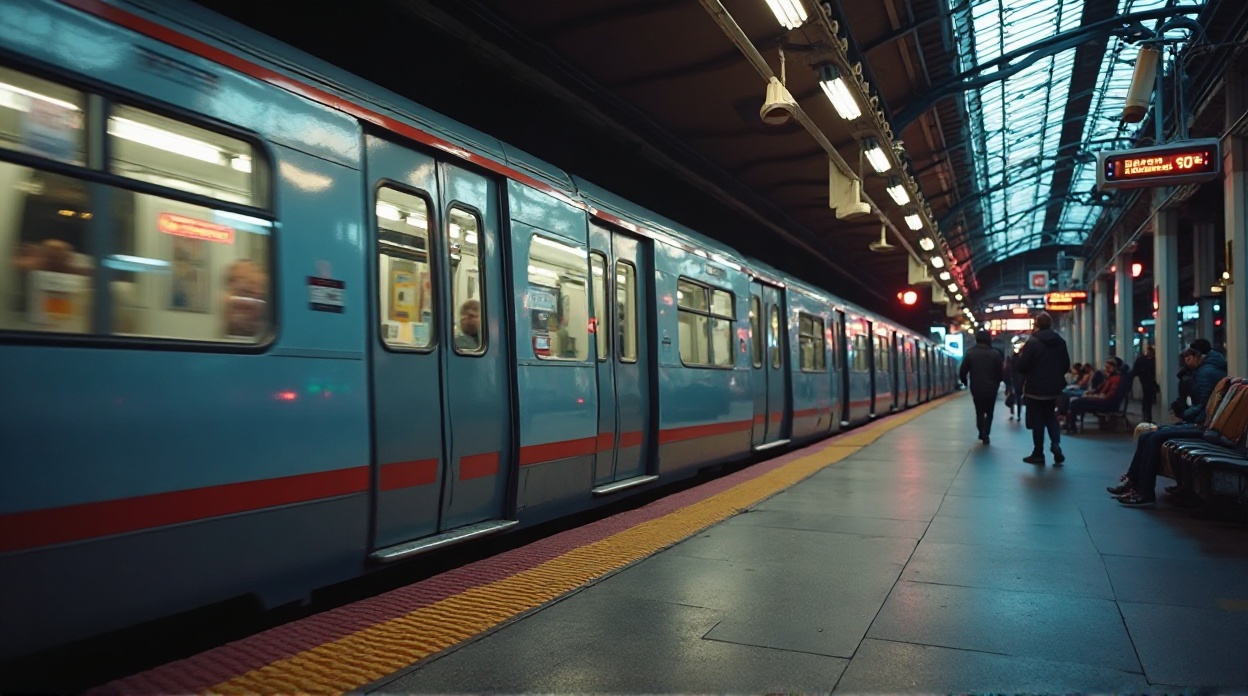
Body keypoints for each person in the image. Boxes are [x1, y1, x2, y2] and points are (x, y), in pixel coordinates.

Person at [1110, 343, 1228, 506]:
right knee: (1149, 436)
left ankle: (1143, 491)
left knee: (1153, 437)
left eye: (1188, 358)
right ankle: (1134, 483)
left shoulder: (1205, 373)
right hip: (1203, 423)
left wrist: (1183, 415)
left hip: (1204, 426)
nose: (1186, 362)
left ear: (1195, 357)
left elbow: (1204, 405)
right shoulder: (1208, 369)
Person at [1016, 312, 1071, 465]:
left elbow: (1022, 366)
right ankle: (1056, 444)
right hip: (1054, 389)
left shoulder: (1032, 342)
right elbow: (1066, 365)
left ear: (1037, 325)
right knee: (1050, 416)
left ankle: (1038, 453)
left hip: (1035, 388)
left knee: (1038, 420)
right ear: (1051, 324)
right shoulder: (1060, 341)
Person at [960, 330, 1004, 444]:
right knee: (989, 412)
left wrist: (964, 381)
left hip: (976, 388)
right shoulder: (995, 353)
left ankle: (981, 431)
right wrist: (997, 382)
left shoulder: (970, 353)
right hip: (991, 388)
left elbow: (963, 371)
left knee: (979, 411)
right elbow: (1000, 372)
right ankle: (986, 433)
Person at [1065, 359, 1121, 433]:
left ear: (1114, 368)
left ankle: (1071, 425)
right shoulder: (1109, 378)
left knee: (1075, 402)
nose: (1106, 369)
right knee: (1075, 401)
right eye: (1106, 367)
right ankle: (1070, 424)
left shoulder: (1115, 379)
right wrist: (1091, 393)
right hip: (1101, 399)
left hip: (1105, 402)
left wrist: (1092, 396)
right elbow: (1098, 389)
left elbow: (1108, 396)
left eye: (1108, 367)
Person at [1132, 346, 1158, 422]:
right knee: (1148, 399)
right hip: (1149, 381)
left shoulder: (1141, 360)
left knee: (1146, 399)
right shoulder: (1153, 361)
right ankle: (1148, 417)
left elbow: (1135, 371)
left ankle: (1146, 416)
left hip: (1144, 380)